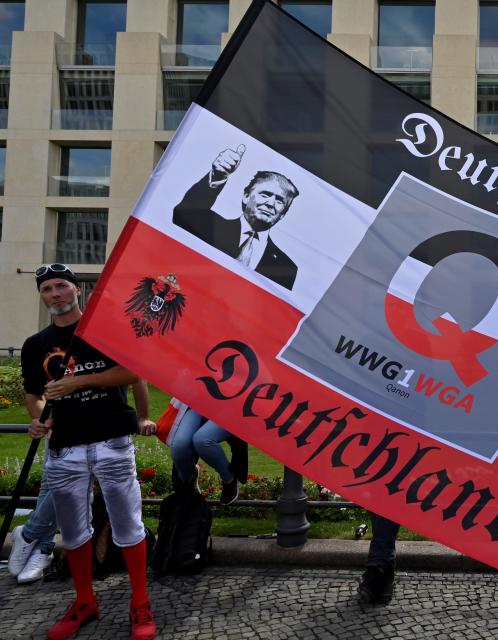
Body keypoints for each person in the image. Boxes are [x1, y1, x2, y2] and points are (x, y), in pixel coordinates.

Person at [23, 263, 156, 640]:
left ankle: (140, 602)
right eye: (47, 289)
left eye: (61, 286)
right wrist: (39, 421)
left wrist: (79, 381)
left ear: (76, 290)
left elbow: (134, 371)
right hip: (66, 446)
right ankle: (84, 601)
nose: (55, 294)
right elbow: (34, 396)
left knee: (129, 524)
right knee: (74, 532)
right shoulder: (36, 346)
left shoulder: (104, 331)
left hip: (111, 439)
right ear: (42, 295)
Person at [7, 379, 153, 586]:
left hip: (105, 424)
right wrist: (47, 420)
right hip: (64, 423)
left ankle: (31, 535)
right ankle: (43, 545)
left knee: (67, 485)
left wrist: (143, 416)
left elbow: (134, 373)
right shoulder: (44, 347)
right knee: (53, 484)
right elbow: (35, 393)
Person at [172, 144, 300, 289]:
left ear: (282, 215)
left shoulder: (286, 268)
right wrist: (218, 176)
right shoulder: (211, 226)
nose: (271, 203)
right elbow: (185, 214)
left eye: (279, 200)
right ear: (246, 196)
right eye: (265, 194)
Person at [169, 404, 245, 505]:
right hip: (199, 402)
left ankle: (229, 479)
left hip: (232, 406)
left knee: (203, 440)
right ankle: (189, 479)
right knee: (179, 446)